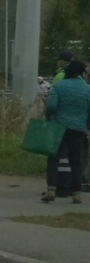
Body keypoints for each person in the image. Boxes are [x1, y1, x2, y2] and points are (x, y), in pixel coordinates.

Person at [42, 60, 90, 204]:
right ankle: (76, 193)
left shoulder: (59, 85)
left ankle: (51, 189)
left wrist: (49, 116)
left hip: (59, 127)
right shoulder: (87, 89)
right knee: (76, 160)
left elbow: (51, 106)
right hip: (78, 128)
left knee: (54, 158)